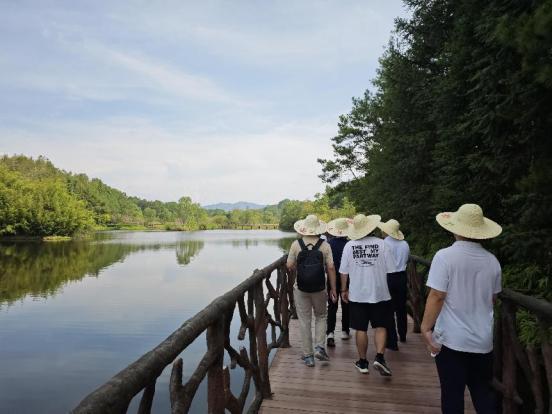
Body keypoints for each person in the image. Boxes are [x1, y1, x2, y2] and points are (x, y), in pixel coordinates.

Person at [421, 203, 502, 413]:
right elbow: (492, 298)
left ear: (456, 228)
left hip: (451, 340)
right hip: (483, 340)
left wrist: (425, 328)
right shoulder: (492, 261)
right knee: (483, 393)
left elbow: (437, 296)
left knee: (452, 394)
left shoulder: (444, 257)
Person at [340, 214, 395, 376]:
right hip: (380, 293)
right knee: (380, 326)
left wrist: (344, 289)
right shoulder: (383, 244)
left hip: (357, 294)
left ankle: (363, 362)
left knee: (360, 329)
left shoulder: (349, 246)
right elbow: (392, 270)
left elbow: (343, 272)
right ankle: (379, 357)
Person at [287, 214, 337, 367]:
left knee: (304, 321)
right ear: (318, 229)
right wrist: (333, 288)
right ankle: (320, 347)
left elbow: (289, 265)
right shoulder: (325, 245)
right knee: (321, 316)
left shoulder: (296, 244)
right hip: (319, 287)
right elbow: (330, 268)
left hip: (301, 287)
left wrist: (298, 267)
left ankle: (308, 356)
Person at [378, 219, 410, 350]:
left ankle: (392, 341)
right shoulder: (404, 244)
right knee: (401, 307)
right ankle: (402, 334)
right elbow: (407, 259)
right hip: (401, 276)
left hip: (388, 276)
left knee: (388, 309)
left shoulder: (383, 244)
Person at [325, 217, 351, 347]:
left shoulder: (328, 243)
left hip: (332, 278)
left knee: (332, 305)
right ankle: (345, 331)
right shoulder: (350, 244)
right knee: (346, 304)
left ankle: (330, 333)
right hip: (347, 278)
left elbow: (327, 264)